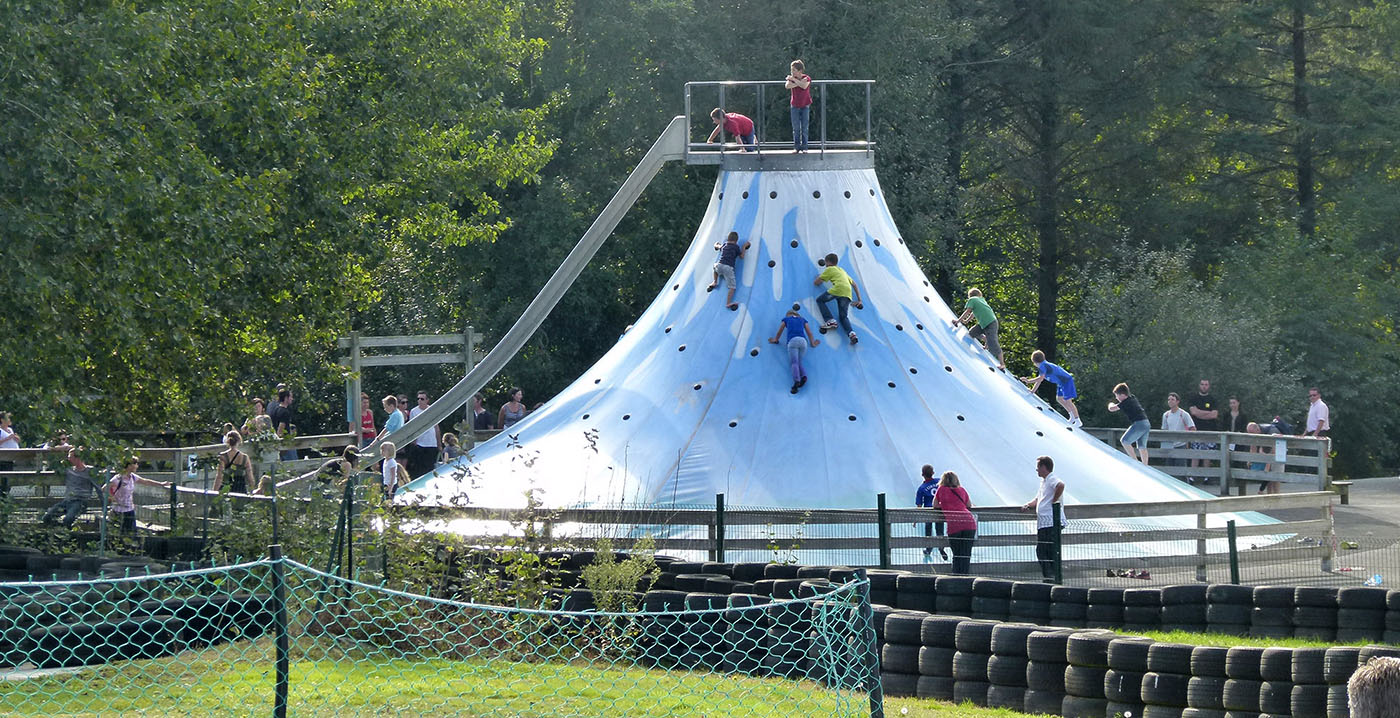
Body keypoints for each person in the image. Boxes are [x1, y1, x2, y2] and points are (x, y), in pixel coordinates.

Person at [1021, 455, 1065, 583]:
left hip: (1050, 521)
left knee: (1043, 550)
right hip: (1045, 522)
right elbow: (1038, 499)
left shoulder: (1051, 479)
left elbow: (1060, 485)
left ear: (1044, 467)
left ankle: (1050, 576)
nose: (1037, 470)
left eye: (1038, 467)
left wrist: (1054, 501)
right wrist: (1028, 505)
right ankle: (1052, 575)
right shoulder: (1044, 482)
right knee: (1047, 550)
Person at [107, 458, 171, 534]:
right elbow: (105, 488)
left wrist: (161, 484)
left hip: (129, 509)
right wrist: (112, 497)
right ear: (129, 466)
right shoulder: (118, 478)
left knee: (131, 534)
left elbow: (145, 481)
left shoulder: (132, 477)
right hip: (118, 510)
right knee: (118, 533)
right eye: (135, 464)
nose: (137, 466)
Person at [812, 253, 864, 345]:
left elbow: (817, 283)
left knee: (820, 300)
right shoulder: (842, 270)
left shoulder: (829, 269)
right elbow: (854, 284)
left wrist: (817, 279)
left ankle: (830, 320)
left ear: (827, 262)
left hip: (838, 289)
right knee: (843, 317)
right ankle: (851, 334)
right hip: (847, 293)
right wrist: (859, 300)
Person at [768, 307, 821, 394]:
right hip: (803, 342)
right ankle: (804, 376)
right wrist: (813, 343)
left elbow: (780, 331)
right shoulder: (802, 319)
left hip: (792, 341)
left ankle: (796, 381)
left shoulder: (786, 319)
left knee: (794, 363)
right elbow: (809, 333)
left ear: (788, 315)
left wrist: (775, 339)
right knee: (799, 362)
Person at [41, 447, 96, 528]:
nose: (69, 459)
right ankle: (59, 530)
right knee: (47, 517)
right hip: (67, 501)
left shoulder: (90, 471)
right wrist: (55, 449)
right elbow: (53, 466)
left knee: (68, 519)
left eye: (71, 457)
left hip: (80, 502)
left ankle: (68, 534)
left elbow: (98, 486)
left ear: (78, 458)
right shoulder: (68, 470)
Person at [1022, 351, 1081, 426]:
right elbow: (1039, 380)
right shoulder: (1044, 365)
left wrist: (1028, 381)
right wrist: (1032, 391)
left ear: (1035, 362)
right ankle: (1072, 416)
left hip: (1066, 381)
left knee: (1068, 401)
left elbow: (1040, 379)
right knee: (1059, 398)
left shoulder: (1043, 366)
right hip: (1061, 383)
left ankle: (1077, 420)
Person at [935, 471, 977, 575]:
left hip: (954, 525)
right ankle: (965, 577)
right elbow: (969, 505)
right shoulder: (962, 490)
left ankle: (956, 577)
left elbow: (935, 505)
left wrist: (945, 505)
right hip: (969, 522)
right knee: (966, 554)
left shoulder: (941, 490)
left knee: (957, 554)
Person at [953, 288, 1004, 368]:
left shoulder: (972, 299)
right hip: (985, 323)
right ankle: (986, 339)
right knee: (972, 332)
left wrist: (957, 321)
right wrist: (966, 321)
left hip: (990, 323)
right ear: (979, 294)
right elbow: (973, 312)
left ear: (970, 296)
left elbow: (968, 311)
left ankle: (1002, 364)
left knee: (993, 342)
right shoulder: (981, 300)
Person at [1107, 382, 1151, 464]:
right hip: (1146, 423)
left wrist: (1110, 404)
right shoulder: (1132, 398)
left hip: (1139, 423)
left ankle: (1135, 462)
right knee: (1142, 446)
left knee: (1124, 441)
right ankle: (1145, 465)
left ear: (1123, 395)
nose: (1116, 398)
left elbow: (1112, 409)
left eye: (1117, 395)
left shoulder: (1125, 402)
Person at [708, 231, 752, 310]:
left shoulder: (724, 245)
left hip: (719, 265)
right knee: (732, 287)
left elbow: (718, 246)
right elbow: (742, 256)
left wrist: (716, 244)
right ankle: (728, 303)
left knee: (715, 268)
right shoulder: (736, 247)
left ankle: (715, 281)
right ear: (736, 241)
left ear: (727, 239)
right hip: (728, 268)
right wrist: (744, 247)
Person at [1188, 379, 1220, 483]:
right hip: (1196, 430)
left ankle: (1207, 477)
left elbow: (1214, 415)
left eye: (1206, 384)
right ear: (1199, 385)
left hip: (1209, 430)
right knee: (1195, 453)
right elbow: (1193, 412)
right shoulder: (1194, 398)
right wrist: (1207, 413)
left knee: (1207, 454)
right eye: (1202, 384)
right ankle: (1192, 477)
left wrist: (1199, 413)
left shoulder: (1213, 399)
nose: (1204, 386)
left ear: (1209, 386)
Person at [913, 465, 946, 561]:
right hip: (939, 510)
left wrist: (915, 519)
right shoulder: (939, 481)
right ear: (933, 473)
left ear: (922, 474)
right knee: (940, 529)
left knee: (928, 529)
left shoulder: (921, 488)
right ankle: (941, 547)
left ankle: (928, 548)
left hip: (928, 511)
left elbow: (919, 505)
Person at [1161, 392, 1197, 480]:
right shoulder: (1166, 415)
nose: (1170, 401)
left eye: (1172, 400)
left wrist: (1187, 440)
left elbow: (1192, 428)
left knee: (1181, 470)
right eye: (1169, 400)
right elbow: (1164, 430)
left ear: (1177, 402)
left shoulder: (1183, 414)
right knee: (1169, 469)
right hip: (1169, 445)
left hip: (1181, 444)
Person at [785, 60, 812, 152]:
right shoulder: (791, 79)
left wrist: (795, 81)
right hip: (795, 105)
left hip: (805, 105)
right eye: (792, 70)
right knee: (796, 128)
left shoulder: (807, 78)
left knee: (804, 127)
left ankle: (804, 147)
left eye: (794, 70)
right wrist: (798, 83)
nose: (792, 72)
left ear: (800, 71)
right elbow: (787, 86)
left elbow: (804, 86)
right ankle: (796, 147)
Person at [1245, 422, 1278, 494]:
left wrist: (1267, 464)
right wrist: (1249, 459)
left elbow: (1273, 451)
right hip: (1265, 453)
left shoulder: (1270, 432)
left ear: (1257, 430)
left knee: (1275, 478)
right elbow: (1252, 447)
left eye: (1251, 432)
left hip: (1277, 449)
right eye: (1249, 433)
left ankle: (1276, 497)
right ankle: (1268, 496)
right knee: (1267, 475)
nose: (1250, 434)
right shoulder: (1255, 434)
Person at [268, 388, 297, 461]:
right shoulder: (285, 412)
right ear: (286, 398)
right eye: (290, 397)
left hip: (274, 441)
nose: (292, 399)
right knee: (293, 465)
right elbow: (280, 430)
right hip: (285, 443)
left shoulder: (275, 410)